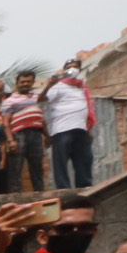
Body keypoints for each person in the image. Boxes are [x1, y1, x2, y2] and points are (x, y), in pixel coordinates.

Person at [45, 57, 96, 188]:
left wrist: (88, 130)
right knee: (61, 163)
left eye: (75, 67)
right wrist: (49, 85)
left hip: (81, 130)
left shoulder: (82, 88)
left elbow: (86, 109)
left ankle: (84, 188)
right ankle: (63, 190)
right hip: (62, 130)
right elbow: (43, 99)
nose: (72, 70)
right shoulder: (58, 86)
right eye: (68, 68)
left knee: (84, 161)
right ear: (64, 70)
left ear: (80, 69)